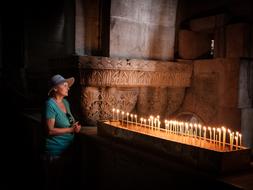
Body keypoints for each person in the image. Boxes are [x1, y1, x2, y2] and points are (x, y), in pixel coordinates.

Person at [42, 74, 81, 190]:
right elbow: (49, 130)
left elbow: (69, 122)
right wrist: (70, 129)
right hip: (54, 152)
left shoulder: (65, 103)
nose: (68, 87)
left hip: (67, 150)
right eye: (64, 85)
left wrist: (75, 127)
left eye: (67, 85)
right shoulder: (50, 104)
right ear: (55, 88)